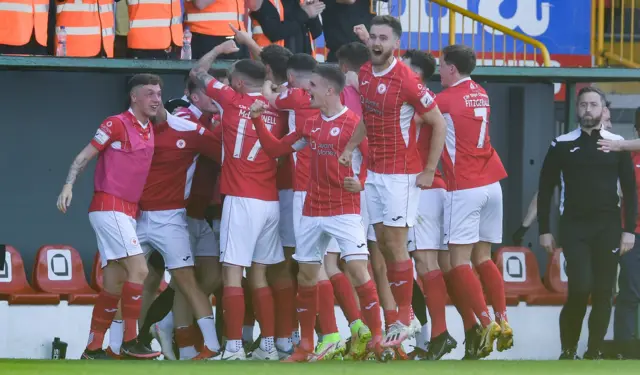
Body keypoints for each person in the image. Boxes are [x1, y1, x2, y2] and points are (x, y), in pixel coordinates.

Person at [250, 65, 383, 363]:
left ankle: (376, 337)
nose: (306, 90)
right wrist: (258, 121)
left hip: (345, 211)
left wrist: (359, 183)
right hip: (312, 210)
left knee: (359, 271)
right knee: (307, 276)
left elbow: (373, 160)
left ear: (330, 91)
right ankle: (306, 346)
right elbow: (275, 150)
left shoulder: (353, 123)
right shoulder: (310, 125)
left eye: (312, 85)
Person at [338, 15, 447, 349]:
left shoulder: (408, 80)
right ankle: (405, 315)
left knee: (396, 244)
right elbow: (368, 119)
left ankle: (404, 316)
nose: (376, 43)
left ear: (395, 43)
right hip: (375, 172)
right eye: (373, 36)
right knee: (382, 243)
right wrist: (351, 147)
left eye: (383, 37)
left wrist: (429, 169)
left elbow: (438, 124)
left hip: (402, 174)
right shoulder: (367, 75)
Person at [56, 74, 163, 360]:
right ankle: (130, 340)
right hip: (109, 206)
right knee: (140, 270)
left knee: (114, 281)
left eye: (159, 94)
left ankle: (93, 348)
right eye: (150, 93)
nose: (156, 99)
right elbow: (84, 156)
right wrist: (68, 184)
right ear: (134, 97)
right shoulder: (115, 123)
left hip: (129, 211)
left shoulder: (150, 127)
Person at [190, 41, 286, 361]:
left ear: (240, 83)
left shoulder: (231, 99)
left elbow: (198, 72)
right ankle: (268, 346)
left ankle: (233, 348)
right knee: (258, 275)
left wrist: (218, 50)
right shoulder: (277, 103)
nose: (230, 82)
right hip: (270, 202)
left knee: (233, 273)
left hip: (241, 199)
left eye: (233, 77)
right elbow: (265, 76)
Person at [539, 86, 637, 360]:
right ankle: (568, 350)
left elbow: (630, 191)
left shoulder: (616, 143)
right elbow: (545, 189)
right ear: (577, 109)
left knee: (605, 292)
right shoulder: (562, 144)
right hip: (574, 228)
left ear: (603, 109)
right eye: (583, 105)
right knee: (580, 288)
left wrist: (629, 230)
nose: (588, 110)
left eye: (594, 105)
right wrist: (544, 230)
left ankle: (593, 350)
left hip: (608, 228)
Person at [435, 44, 512, 359]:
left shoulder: (444, 100)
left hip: (463, 185)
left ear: (452, 68)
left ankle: (484, 321)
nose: (438, 71)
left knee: (459, 261)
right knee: (484, 257)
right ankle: (503, 320)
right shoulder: (480, 92)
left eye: (441, 65)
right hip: (492, 182)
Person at [400, 49, 457, 360]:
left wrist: (428, 170)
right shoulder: (408, 100)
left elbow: (438, 127)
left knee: (425, 264)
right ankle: (427, 336)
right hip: (408, 189)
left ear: (416, 74)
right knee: (408, 265)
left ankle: (438, 334)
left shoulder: (422, 101)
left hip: (424, 188)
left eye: (404, 67)